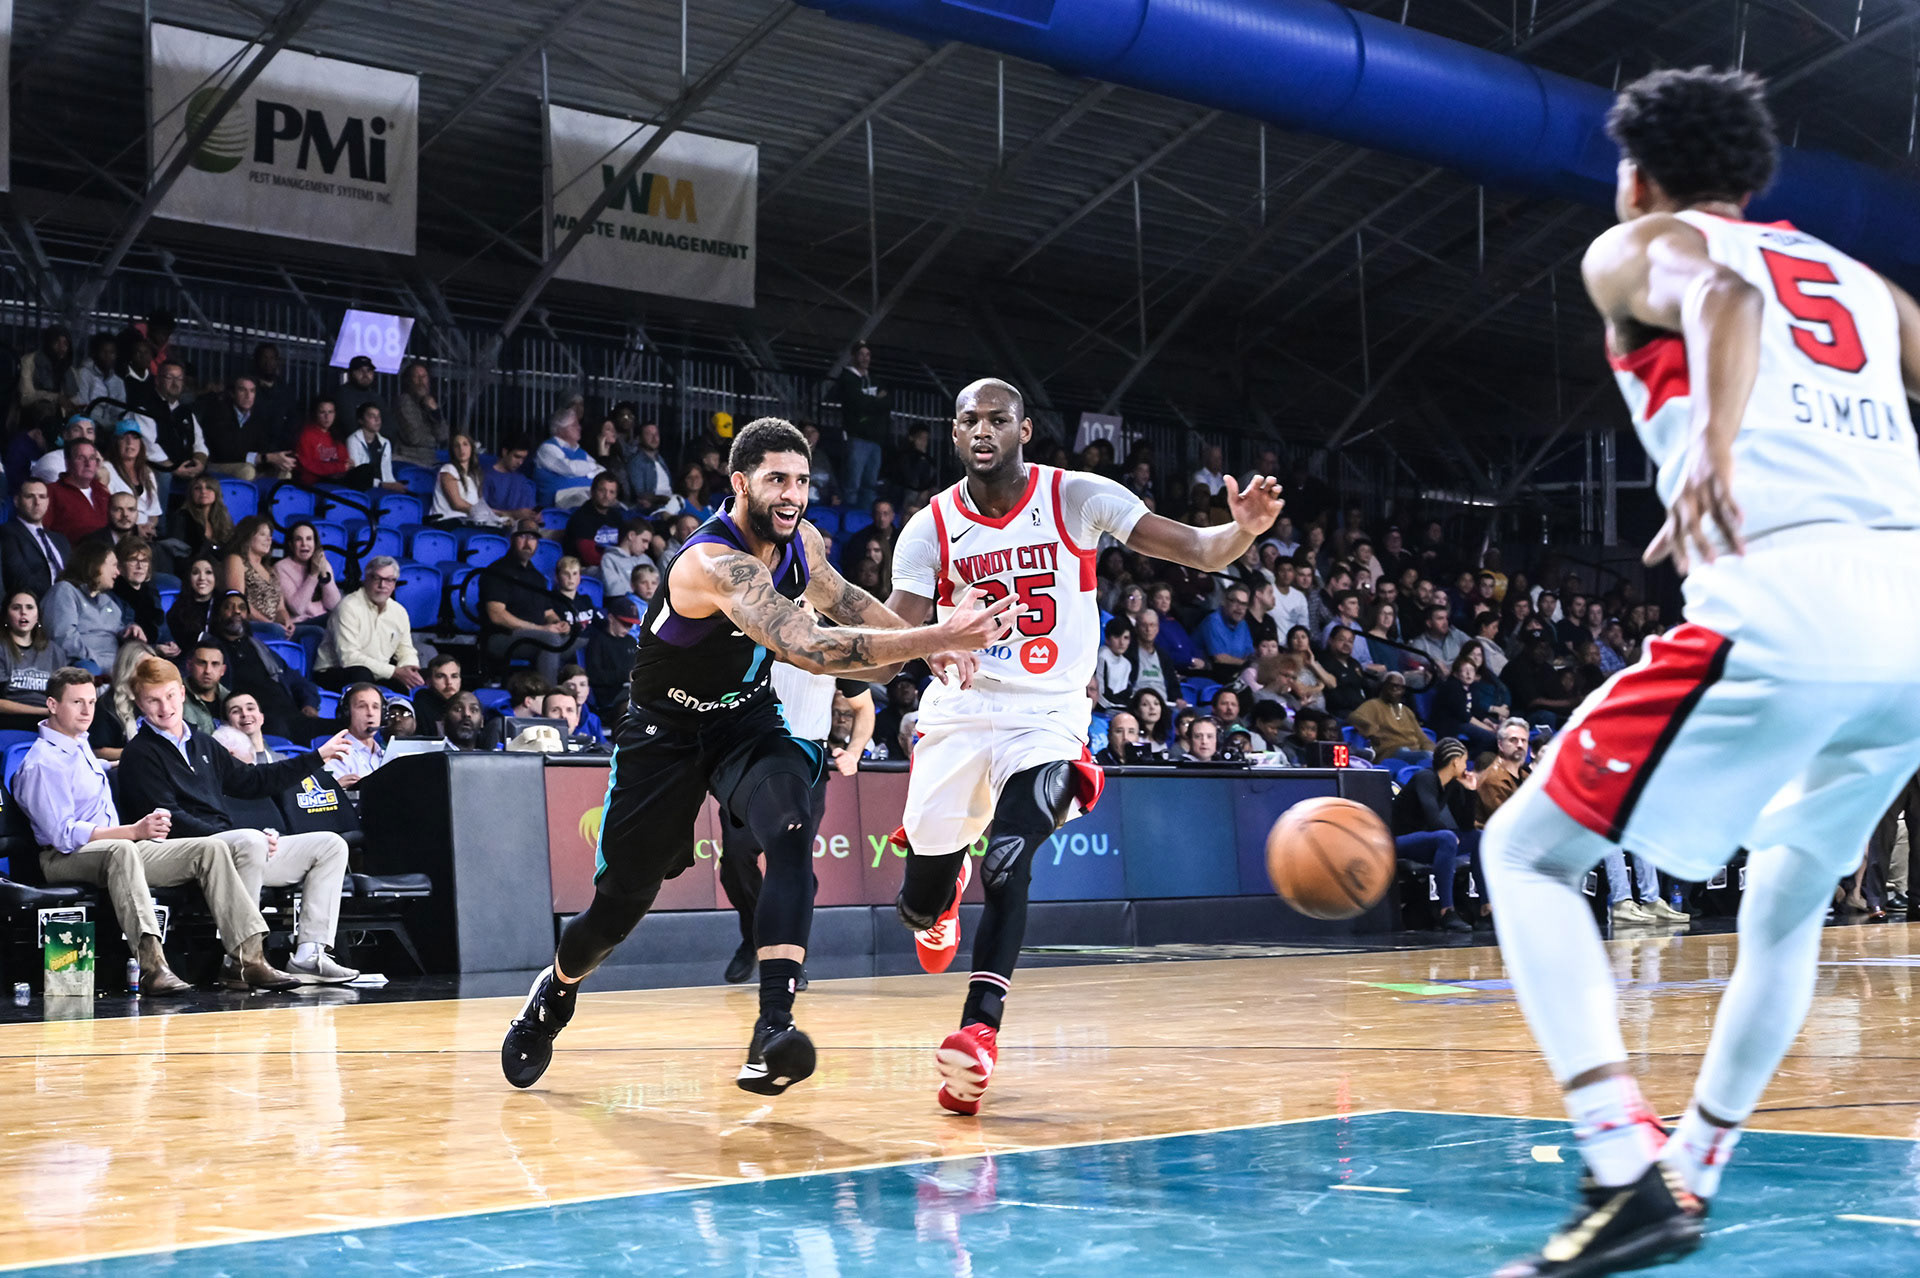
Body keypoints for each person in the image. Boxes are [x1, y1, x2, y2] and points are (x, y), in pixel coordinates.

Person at [1485, 67, 1920, 1277]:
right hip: (1914, 617)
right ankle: (1695, 1168)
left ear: (1636, 175)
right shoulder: (1860, 283)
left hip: (1790, 605)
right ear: (1757, 175)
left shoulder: (1637, 247)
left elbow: (1722, 293)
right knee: (1789, 907)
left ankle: (1621, 1172)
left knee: (1522, 852)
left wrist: (1709, 454)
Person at [500, 417, 1013, 1097]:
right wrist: (934, 633)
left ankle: (773, 1028)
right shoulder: (714, 563)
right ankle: (555, 994)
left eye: (801, 480)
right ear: (741, 483)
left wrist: (929, 645)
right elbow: (810, 645)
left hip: (743, 720)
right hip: (664, 735)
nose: (792, 493)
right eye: (776, 479)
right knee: (617, 909)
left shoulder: (802, 539)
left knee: (791, 826)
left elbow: (841, 597)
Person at [882, 378, 1283, 1115]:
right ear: (953, 432)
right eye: (969, 420)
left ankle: (978, 1035)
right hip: (962, 714)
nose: (982, 430)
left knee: (1009, 860)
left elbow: (1197, 548)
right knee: (918, 904)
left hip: (1049, 717)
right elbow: (889, 641)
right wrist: (930, 643)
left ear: (1024, 430)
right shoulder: (930, 528)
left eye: (997, 419)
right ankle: (938, 902)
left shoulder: (1076, 498)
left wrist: (1244, 532)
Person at [18, 668, 303, 994]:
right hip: (62, 858)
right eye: (76, 702)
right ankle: (153, 966)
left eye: (91, 702)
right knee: (122, 850)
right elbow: (63, 835)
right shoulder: (42, 762)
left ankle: (247, 958)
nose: (87, 711)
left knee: (209, 848)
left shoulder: (80, 746)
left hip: (112, 851)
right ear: (53, 705)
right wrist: (132, 831)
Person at [118, 656, 361, 986]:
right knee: (248, 841)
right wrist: (235, 835)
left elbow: (255, 780)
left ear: (182, 693)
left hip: (233, 846)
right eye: (153, 700)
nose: (165, 707)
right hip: (182, 853)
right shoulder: (139, 753)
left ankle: (309, 955)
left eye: (170, 696)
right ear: (139, 703)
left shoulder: (204, 743)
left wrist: (316, 757)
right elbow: (170, 818)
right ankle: (242, 959)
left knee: (330, 845)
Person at [716, 660, 875, 984]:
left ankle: (789, 957)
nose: (801, 604)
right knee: (734, 861)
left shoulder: (831, 644)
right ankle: (755, 936)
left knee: (790, 863)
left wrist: (854, 751)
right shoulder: (756, 633)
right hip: (751, 756)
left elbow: (865, 707)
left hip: (806, 760)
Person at [1391, 738, 1480, 934]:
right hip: (1398, 841)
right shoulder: (1425, 777)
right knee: (1446, 838)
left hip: (1426, 841)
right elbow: (1432, 817)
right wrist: (1449, 835)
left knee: (1479, 837)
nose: (1466, 766)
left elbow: (1465, 825)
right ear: (1455, 761)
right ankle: (1446, 911)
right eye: (1464, 761)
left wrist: (1471, 791)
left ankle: (1485, 908)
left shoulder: (1452, 785)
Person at [212, 591, 323, 739]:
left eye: (242, 608)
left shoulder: (261, 648)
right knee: (280, 730)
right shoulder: (212, 650)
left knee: (342, 728)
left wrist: (309, 704)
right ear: (218, 615)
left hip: (292, 716)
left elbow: (297, 680)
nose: (236, 611)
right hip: (258, 722)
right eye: (229, 607)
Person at [313, 556, 424, 693]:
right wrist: (394, 671)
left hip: (377, 673)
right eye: (377, 578)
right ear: (366, 579)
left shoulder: (399, 612)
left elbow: (406, 649)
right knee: (362, 675)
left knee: (402, 687)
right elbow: (349, 659)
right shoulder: (348, 607)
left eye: (389, 580)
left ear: (394, 584)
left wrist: (408, 668)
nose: (382, 585)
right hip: (334, 672)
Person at [45, 542, 137, 674]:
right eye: (113, 565)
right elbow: (63, 639)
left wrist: (129, 631)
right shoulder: (64, 591)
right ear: (96, 564)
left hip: (115, 668)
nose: (118, 572)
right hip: (84, 667)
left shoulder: (109, 602)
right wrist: (102, 663)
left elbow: (117, 631)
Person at [197, 375, 292, 479]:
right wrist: (265, 458)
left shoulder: (258, 417)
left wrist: (278, 459)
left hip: (250, 464)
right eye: (242, 390)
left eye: (252, 391)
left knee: (285, 472)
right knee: (247, 471)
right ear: (232, 393)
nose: (248, 396)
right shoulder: (218, 413)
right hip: (219, 464)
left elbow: (264, 447)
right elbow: (225, 452)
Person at [835, 342, 891, 508]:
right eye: (861, 354)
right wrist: (876, 402)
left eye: (868, 355)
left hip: (875, 440)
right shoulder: (847, 378)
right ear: (854, 356)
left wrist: (869, 404)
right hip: (856, 438)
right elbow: (856, 403)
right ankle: (849, 516)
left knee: (870, 484)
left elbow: (887, 402)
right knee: (853, 483)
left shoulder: (875, 379)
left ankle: (865, 517)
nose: (865, 358)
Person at [223, 515, 297, 638]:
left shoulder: (270, 570)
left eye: (270, 535)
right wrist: (268, 623)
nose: (269, 539)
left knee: (314, 631)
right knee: (275, 630)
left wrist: (286, 621)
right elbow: (238, 602)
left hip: (274, 626)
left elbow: (280, 608)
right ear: (247, 537)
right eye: (262, 534)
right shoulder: (236, 560)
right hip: (249, 624)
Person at [0, 479, 72, 601]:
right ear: (17, 501)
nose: (37, 502)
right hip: (36, 603)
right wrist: (57, 596)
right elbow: (19, 579)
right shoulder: (7, 532)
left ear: (48, 502)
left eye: (42, 497)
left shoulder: (60, 539)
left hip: (70, 602)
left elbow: (75, 574)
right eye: (30, 497)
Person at [0, 593, 63, 730]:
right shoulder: (2, 649)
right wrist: (41, 712)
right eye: (16, 608)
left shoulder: (54, 651)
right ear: (6, 615)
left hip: (48, 722)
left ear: (38, 616)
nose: (23, 613)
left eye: (29, 607)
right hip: (9, 721)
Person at [1346, 671, 1431, 764]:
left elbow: (1422, 738)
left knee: (1434, 756)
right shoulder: (1373, 705)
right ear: (1383, 686)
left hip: (1413, 752)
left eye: (1400, 687)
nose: (1396, 689)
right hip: (1390, 753)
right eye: (1393, 685)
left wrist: (1433, 752)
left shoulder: (1406, 710)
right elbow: (1354, 717)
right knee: (1424, 756)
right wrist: (1370, 730)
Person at [111, 536, 173, 657]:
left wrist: (171, 643)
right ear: (120, 566)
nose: (140, 566)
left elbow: (163, 628)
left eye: (144, 561)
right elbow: (122, 639)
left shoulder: (152, 592)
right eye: (133, 560)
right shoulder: (112, 596)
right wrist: (154, 649)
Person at [275, 520, 342, 631]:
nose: (304, 544)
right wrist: (313, 574)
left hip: (325, 620)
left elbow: (334, 604)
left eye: (309, 539)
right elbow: (298, 609)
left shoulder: (323, 563)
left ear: (315, 544)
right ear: (291, 545)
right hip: (301, 624)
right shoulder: (281, 567)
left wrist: (324, 574)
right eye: (298, 539)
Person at [582, 594, 641, 716]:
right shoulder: (597, 641)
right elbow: (594, 676)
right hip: (609, 696)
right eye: (624, 623)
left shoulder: (631, 641)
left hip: (631, 691)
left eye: (631, 624)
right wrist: (625, 675)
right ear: (611, 618)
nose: (628, 628)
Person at [45, 437, 113, 543]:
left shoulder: (102, 491)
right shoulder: (52, 492)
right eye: (81, 458)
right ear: (68, 463)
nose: (88, 463)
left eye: (92, 458)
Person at [431, 433, 507, 526]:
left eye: (465, 444)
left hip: (466, 523)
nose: (461, 449)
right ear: (453, 451)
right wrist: (491, 515)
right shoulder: (448, 469)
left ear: (471, 448)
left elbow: (479, 507)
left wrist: (499, 516)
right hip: (447, 522)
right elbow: (457, 504)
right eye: (456, 446)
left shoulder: (474, 477)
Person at [104, 422, 163, 535]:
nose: (130, 442)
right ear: (115, 442)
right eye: (123, 438)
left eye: (135, 438)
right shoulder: (106, 469)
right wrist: (135, 530)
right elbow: (106, 512)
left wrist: (148, 527)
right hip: (119, 532)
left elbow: (154, 513)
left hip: (145, 534)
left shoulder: (147, 472)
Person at [534, 408, 599, 509]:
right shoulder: (547, 448)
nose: (579, 428)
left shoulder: (579, 451)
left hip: (585, 498)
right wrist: (591, 469)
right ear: (560, 429)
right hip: (556, 508)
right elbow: (570, 469)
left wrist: (586, 471)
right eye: (574, 425)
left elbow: (601, 472)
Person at [326, 683, 388, 783]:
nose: (370, 713)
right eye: (362, 706)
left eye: (375, 707)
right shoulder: (336, 755)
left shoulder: (388, 756)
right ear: (347, 713)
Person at [392, 360, 448, 468]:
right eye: (416, 377)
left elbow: (443, 436)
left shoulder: (430, 403)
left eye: (424, 377)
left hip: (429, 460)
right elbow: (415, 438)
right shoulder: (405, 401)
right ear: (409, 381)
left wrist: (435, 412)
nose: (421, 382)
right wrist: (433, 439)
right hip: (408, 460)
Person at [167, 475, 234, 562]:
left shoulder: (224, 520)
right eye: (197, 488)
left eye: (209, 488)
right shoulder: (182, 518)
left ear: (216, 493)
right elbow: (178, 553)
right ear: (191, 494)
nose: (203, 491)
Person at [564, 473, 627, 566]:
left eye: (612, 492)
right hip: (586, 569)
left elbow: (624, 547)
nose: (607, 496)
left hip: (612, 564)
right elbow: (589, 557)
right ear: (593, 491)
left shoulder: (616, 517)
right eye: (602, 490)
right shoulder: (581, 517)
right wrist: (616, 564)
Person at [345, 402, 404, 492]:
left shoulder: (385, 442)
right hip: (364, 487)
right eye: (371, 416)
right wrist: (382, 485)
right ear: (361, 420)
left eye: (378, 416)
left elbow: (387, 472)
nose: (377, 420)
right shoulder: (353, 440)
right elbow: (357, 474)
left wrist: (393, 484)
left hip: (384, 486)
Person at [294, 397, 352, 486]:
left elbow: (345, 462)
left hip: (336, 479)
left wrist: (344, 467)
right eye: (322, 412)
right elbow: (309, 466)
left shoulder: (336, 434)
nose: (327, 416)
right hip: (315, 482)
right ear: (315, 414)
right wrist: (339, 467)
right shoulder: (307, 435)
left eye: (330, 412)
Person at [167, 555, 221, 650]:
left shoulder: (224, 605)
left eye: (208, 572)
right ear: (189, 578)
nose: (202, 578)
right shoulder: (178, 610)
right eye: (195, 572)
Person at [482, 438, 540, 524]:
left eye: (523, 459)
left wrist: (535, 515)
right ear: (505, 452)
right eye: (517, 457)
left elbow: (530, 509)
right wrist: (512, 514)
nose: (520, 462)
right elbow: (480, 511)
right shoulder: (486, 477)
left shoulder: (522, 479)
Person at [598, 518, 657, 600]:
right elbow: (614, 591)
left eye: (648, 543)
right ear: (631, 535)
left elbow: (659, 586)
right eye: (644, 541)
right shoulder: (609, 559)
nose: (646, 547)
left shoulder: (646, 559)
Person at [412, 653, 463, 736]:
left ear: (460, 680)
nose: (449, 682)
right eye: (440, 676)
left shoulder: (466, 706)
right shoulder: (419, 708)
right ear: (428, 682)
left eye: (454, 676)